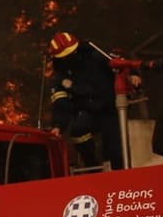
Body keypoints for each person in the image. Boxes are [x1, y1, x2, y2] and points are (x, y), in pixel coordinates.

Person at [48, 31, 123, 170]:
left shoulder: (95, 56)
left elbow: (120, 64)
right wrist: (58, 125)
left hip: (111, 109)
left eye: (72, 53)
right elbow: (61, 102)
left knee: (115, 151)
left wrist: (134, 74)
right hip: (88, 111)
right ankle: (93, 167)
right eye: (65, 57)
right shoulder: (61, 75)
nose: (70, 58)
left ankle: (121, 177)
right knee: (77, 131)